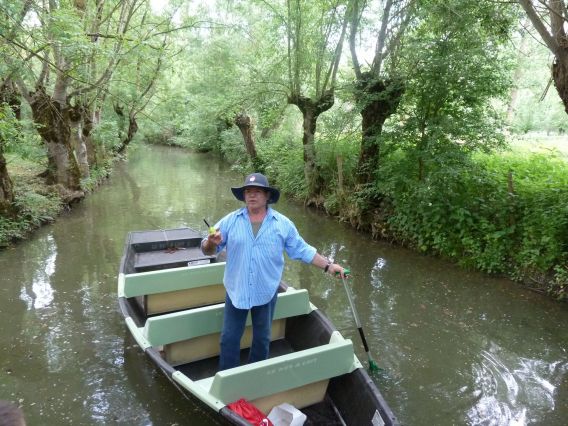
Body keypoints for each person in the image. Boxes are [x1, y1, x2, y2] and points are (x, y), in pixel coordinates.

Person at [201, 172, 347, 371]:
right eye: (248, 191)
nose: (252, 195)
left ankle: (257, 376)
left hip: (266, 291)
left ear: (267, 196)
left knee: (262, 340)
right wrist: (210, 241)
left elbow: (303, 250)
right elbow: (207, 250)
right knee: (229, 339)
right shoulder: (230, 221)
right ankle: (228, 380)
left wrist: (329, 266)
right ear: (244, 196)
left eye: (257, 191)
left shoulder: (283, 224)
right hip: (236, 290)